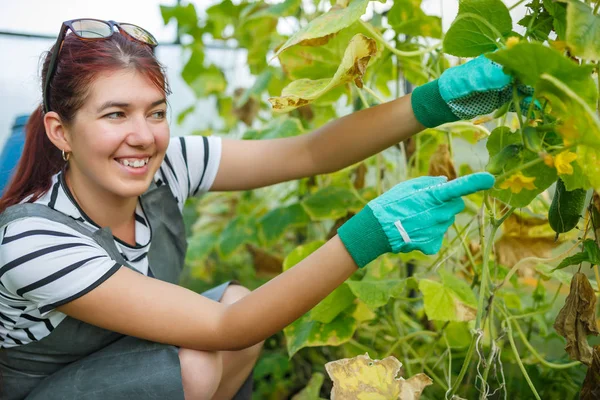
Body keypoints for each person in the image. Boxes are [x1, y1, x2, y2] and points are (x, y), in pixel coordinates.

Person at [0, 18, 521, 400]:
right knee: (199, 362)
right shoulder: (32, 240)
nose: (142, 135)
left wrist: (436, 102)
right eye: (115, 114)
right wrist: (375, 231)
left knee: (235, 297)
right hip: (42, 391)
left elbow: (308, 153)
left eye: (155, 112)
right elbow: (230, 331)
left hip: (115, 368)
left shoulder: (166, 164)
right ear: (59, 131)